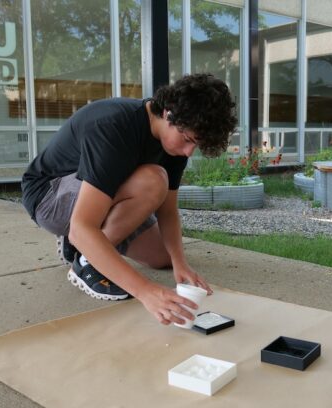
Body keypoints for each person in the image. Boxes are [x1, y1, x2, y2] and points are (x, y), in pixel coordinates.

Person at [21, 73, 238, 324]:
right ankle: (86, 261)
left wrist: (180, 263)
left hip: (94, 196)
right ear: (169, 113)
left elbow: (167, 211)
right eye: (188, 140)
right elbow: (82, 228)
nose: (188, 151)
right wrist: (147, 292)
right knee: (154, 179)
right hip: (48, 196)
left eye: (195, 145)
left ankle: (83, 244)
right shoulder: (114, 126)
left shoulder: (174, 144)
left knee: (162, 257)